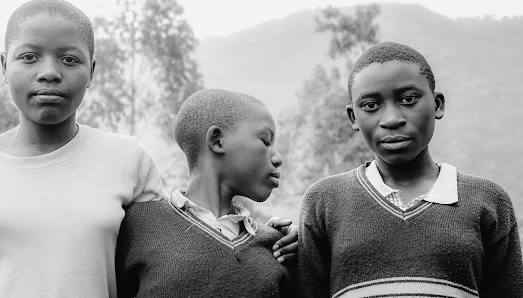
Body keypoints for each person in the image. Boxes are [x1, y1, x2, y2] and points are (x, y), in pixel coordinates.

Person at [0, 0, 169, 297]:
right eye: (29, 57)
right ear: (4, 66)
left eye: (69, 59)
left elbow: (151, 279)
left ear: (91, 71)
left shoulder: (129, 160)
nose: (49, 72)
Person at [298, 41, 523, 297]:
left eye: (408, 99)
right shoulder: (324, 201)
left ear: (437, 105)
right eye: (371, 105)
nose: (392, 119)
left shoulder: (489, 201)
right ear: (353, 118)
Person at [116, 89, 295, 297]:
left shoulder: (277, 247)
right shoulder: (139, 224)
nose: (278, 158)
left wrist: (310, 242)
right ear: (217, 141)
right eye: (266, 141)